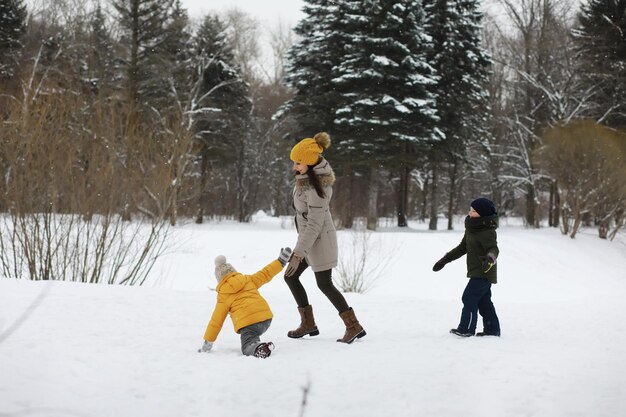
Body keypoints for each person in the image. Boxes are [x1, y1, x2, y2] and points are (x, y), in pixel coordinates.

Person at [283, 132, 366, 344]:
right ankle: (308, 324)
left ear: (310, 163)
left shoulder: (318, 187)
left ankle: (353, 326)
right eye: (294, 162)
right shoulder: (306, 178)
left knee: (324, 284)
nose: (295, 166)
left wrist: (298, 253)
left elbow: (314, 224)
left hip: (319, 242)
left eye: (298, 163)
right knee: (291, 277)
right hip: (309, 241)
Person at [199, 247, 292, 358]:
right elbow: (266, 273)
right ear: (233, 271)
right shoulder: (247, 279)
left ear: (219, 278)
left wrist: (208, 342)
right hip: (266, 318)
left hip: (249, 323)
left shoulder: (223, 295)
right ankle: (258, 345)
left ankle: (258, 348)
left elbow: (216, 321)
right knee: (253, 334)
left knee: (247, 345)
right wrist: (280, 262)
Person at [432, 197, 501, 337]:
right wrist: (445, 259)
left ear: (482, 213)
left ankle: (466, 329)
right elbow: (462, 248)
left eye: (474, 211)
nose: (470, 213)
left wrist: (489, 260)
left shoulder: (487, 231)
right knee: (483, 302)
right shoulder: (472, 229)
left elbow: (494, 249)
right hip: (476, 271)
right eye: (470, 209)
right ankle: (492, 330)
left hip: (484, 271)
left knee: (469, 298)